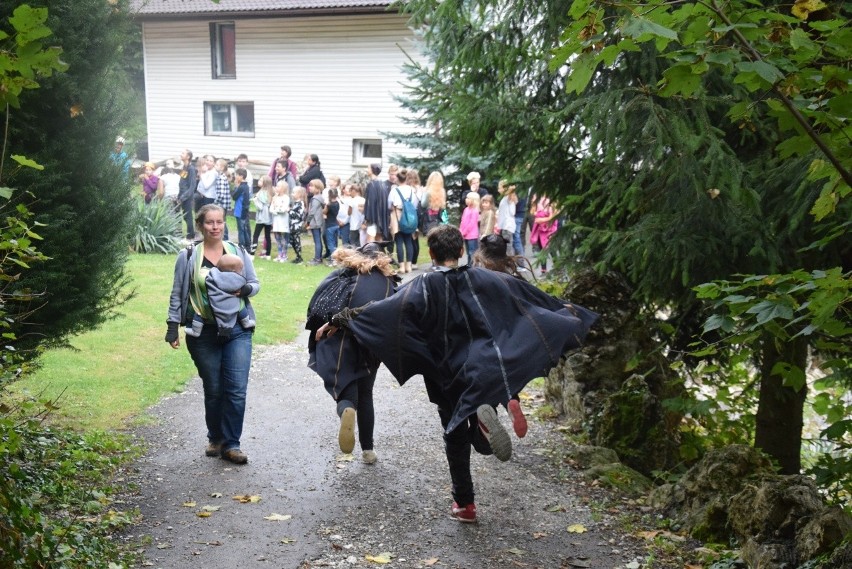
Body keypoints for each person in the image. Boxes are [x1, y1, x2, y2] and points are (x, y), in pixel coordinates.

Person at [317, 224, 597, 522]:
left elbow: (382, 309)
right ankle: (482, 425)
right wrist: (565, 310)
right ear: (462, 251)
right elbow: (525, 296)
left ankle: (465, 504)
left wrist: (339, 319)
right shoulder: (484, 277)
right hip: (479, 364)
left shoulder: (421, 285)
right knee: (476, 417)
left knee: (453, 431)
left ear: (431, 253)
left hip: (443, 372)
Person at [165, 204, 260, 465]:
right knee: (215, 387)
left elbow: (255, 283)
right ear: (200, 225)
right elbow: (177, 293)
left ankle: (232, 444)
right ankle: (216, 437)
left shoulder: (238, 251)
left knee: (236, 389)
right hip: (203, 331)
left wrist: (242, 291)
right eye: (210, 222)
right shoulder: (187, 256)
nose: (216, 227)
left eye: (219, 222)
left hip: (238, 329)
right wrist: (173, 325)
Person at [308, 243, 399, 463]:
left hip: (340, 339)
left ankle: (346, 409)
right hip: (371, 342)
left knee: (345, 389)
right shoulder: (387, 282)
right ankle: (368, 450)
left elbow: (319, 306)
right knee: (366, 393)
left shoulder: (345, 275)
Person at [185, 252, 256, 340]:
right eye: (240, 269)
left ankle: (196, 331)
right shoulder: (237, 280)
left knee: (200, 312)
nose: (241, 272)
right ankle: (246, 322)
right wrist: (245, 288)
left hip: (212, 306)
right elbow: (247, 283)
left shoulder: (212, 275)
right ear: (234, 272)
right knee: (241, 308)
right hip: (233, 308)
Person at [389, 169, 420, 274]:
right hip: (409, 217)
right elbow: (415, 204)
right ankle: (409, 266)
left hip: (397, 216)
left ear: (397, 178)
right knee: (409, 241)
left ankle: (401, 266)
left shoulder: (394, 190)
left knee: (399, 242)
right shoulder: (411, 190)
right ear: (406, 178)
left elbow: (389, 204)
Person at [529, 196, 559, 276]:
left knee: (552, 250)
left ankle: (558, 269)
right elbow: (533, 213)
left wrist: (543, 219)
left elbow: (553, 216)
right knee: (542, 251)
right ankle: (543, 270)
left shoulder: (551, 201)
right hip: (540, 230)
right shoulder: (537, 198)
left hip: (550, 230)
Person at [363, 163, 390, 244]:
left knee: (370, 242)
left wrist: (367, 218)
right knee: (379, 240)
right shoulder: (383, 184)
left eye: (368, 168)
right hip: (381, 217)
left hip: (373, 218)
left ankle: (371, 256)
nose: (366, 170)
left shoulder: (371, 185)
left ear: (372, 170)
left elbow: (370, 203)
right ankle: (379, 256)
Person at [251, 175, 274, 259]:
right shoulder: (270, 193)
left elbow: (260, 207)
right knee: (267, 236)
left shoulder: (260, 193)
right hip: (269, 218)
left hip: (261, 218)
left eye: (260, 180)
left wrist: (255, 200)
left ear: (264, 183)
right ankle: (268, 254)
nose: (259, 182)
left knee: (256, 235)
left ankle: (252, 253)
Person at [178, 149, 198, 240]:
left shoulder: (191, 169)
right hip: (181, 194)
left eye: (183, 153)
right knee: (185, 216)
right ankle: (187, 234)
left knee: (188, 216)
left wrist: (184, 196)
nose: (181, 154)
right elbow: (182, 181)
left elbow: (192, 186)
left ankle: (191, 235)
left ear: (188, 157)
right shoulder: (184, 167)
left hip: (187, 196)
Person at [420, 171, 448, 235]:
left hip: (429, 221)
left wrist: (423, 193)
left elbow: (423, 205)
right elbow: (443, 207)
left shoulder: (427, 192)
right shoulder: (442, 192)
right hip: (439, 222)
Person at [269, 180, 291, 262]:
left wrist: (277, 210)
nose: (276, 188)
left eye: (278, 186)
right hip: (276, 220)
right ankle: (279, 254)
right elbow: (271, 208)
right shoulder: (275, 197)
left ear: (283, 188)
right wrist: (274, 210)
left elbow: (284, 209)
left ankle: (284, 255)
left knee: (284, 238)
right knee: (277, 238)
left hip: (283, 221)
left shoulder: (286, 198)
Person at [305, 179, 326, 265]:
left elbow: (312, 212)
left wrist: (307, 221)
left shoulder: (316, 199)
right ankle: (318, 257)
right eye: (310, 185)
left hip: (315, 222)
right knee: (317, 240)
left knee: (317, 241)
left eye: (312, 186)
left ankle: (317, 259)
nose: (310, 188)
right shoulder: (319, 198)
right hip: (317, 222)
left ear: (318, 188)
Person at [495, 180, 518, 255]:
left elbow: (511, 189)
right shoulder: (506, 198)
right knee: (507, 246)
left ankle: (510, 263)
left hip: (507, 226)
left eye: (499, 188)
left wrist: (509, 188)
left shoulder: (508, 198)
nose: (498, 190)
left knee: (508, 247)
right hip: (505, 226)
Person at [232, 168, 252, 249]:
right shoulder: (246, 186)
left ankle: (242, 245)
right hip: (243, 211)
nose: (235, 177)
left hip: (240, 211)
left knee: (241, 230)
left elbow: (234, 196)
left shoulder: (241, 187)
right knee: (244, 229)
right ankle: (247, 245)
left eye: (237, 175)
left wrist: (236, 187)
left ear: (241, 176)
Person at [459, 191, 481, 264]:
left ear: (473, 200)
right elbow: (462, 221)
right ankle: (469, 265)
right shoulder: (466, 209)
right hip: (465, 235)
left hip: (472, 236)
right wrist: (460, 231)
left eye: (468, 198)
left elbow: (471, 224)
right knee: (468, 253)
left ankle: (473, 267)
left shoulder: (475, 210)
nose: (466, 199)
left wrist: (464, 232)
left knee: (473, 253)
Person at [213, 158, 232, 241]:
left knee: (222, 221)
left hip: (221, 204)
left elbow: (221, 193)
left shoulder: (221, 177)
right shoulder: (222, 176)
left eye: (217, 165)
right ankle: (224, 238)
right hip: (224, 204)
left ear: (222, 167)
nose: (215, 166)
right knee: (222, 220)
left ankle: (225, 238)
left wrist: (215, 202)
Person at [288, 186, 306, 264]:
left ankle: (299, 257)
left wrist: (289, 211)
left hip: (297, 226)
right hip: (292, 225)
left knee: (296, 241)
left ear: (299, 194)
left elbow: (299, 215)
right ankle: (297, 256)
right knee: (292, 241)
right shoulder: (295, 203)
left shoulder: (300, 203)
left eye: (294, 192)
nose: (292, 194)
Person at [323, 188, 340, 263]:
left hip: (329, 225)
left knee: (330, 243)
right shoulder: (337, 203)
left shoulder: (329, 205)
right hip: (336, 224)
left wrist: (325, 208)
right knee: (335, 242)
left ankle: (334, 259)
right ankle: (335, 257)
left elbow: (324, 212)